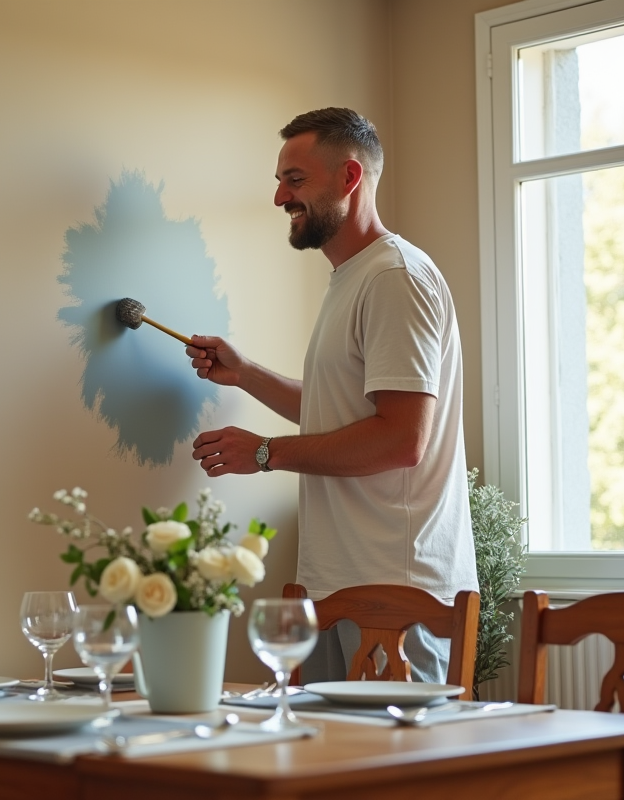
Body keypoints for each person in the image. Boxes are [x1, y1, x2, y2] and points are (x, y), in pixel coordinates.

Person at [187, 107, 477, 684]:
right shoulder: (354, 277)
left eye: (294, 181)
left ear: (349, 178)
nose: (278, 198)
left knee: (393, 773)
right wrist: (246, 373)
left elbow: (401, 439)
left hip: (397, 594)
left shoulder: (395, 278)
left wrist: (266, 452)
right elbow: (340, 411)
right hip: (339, 586)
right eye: (279, 181)